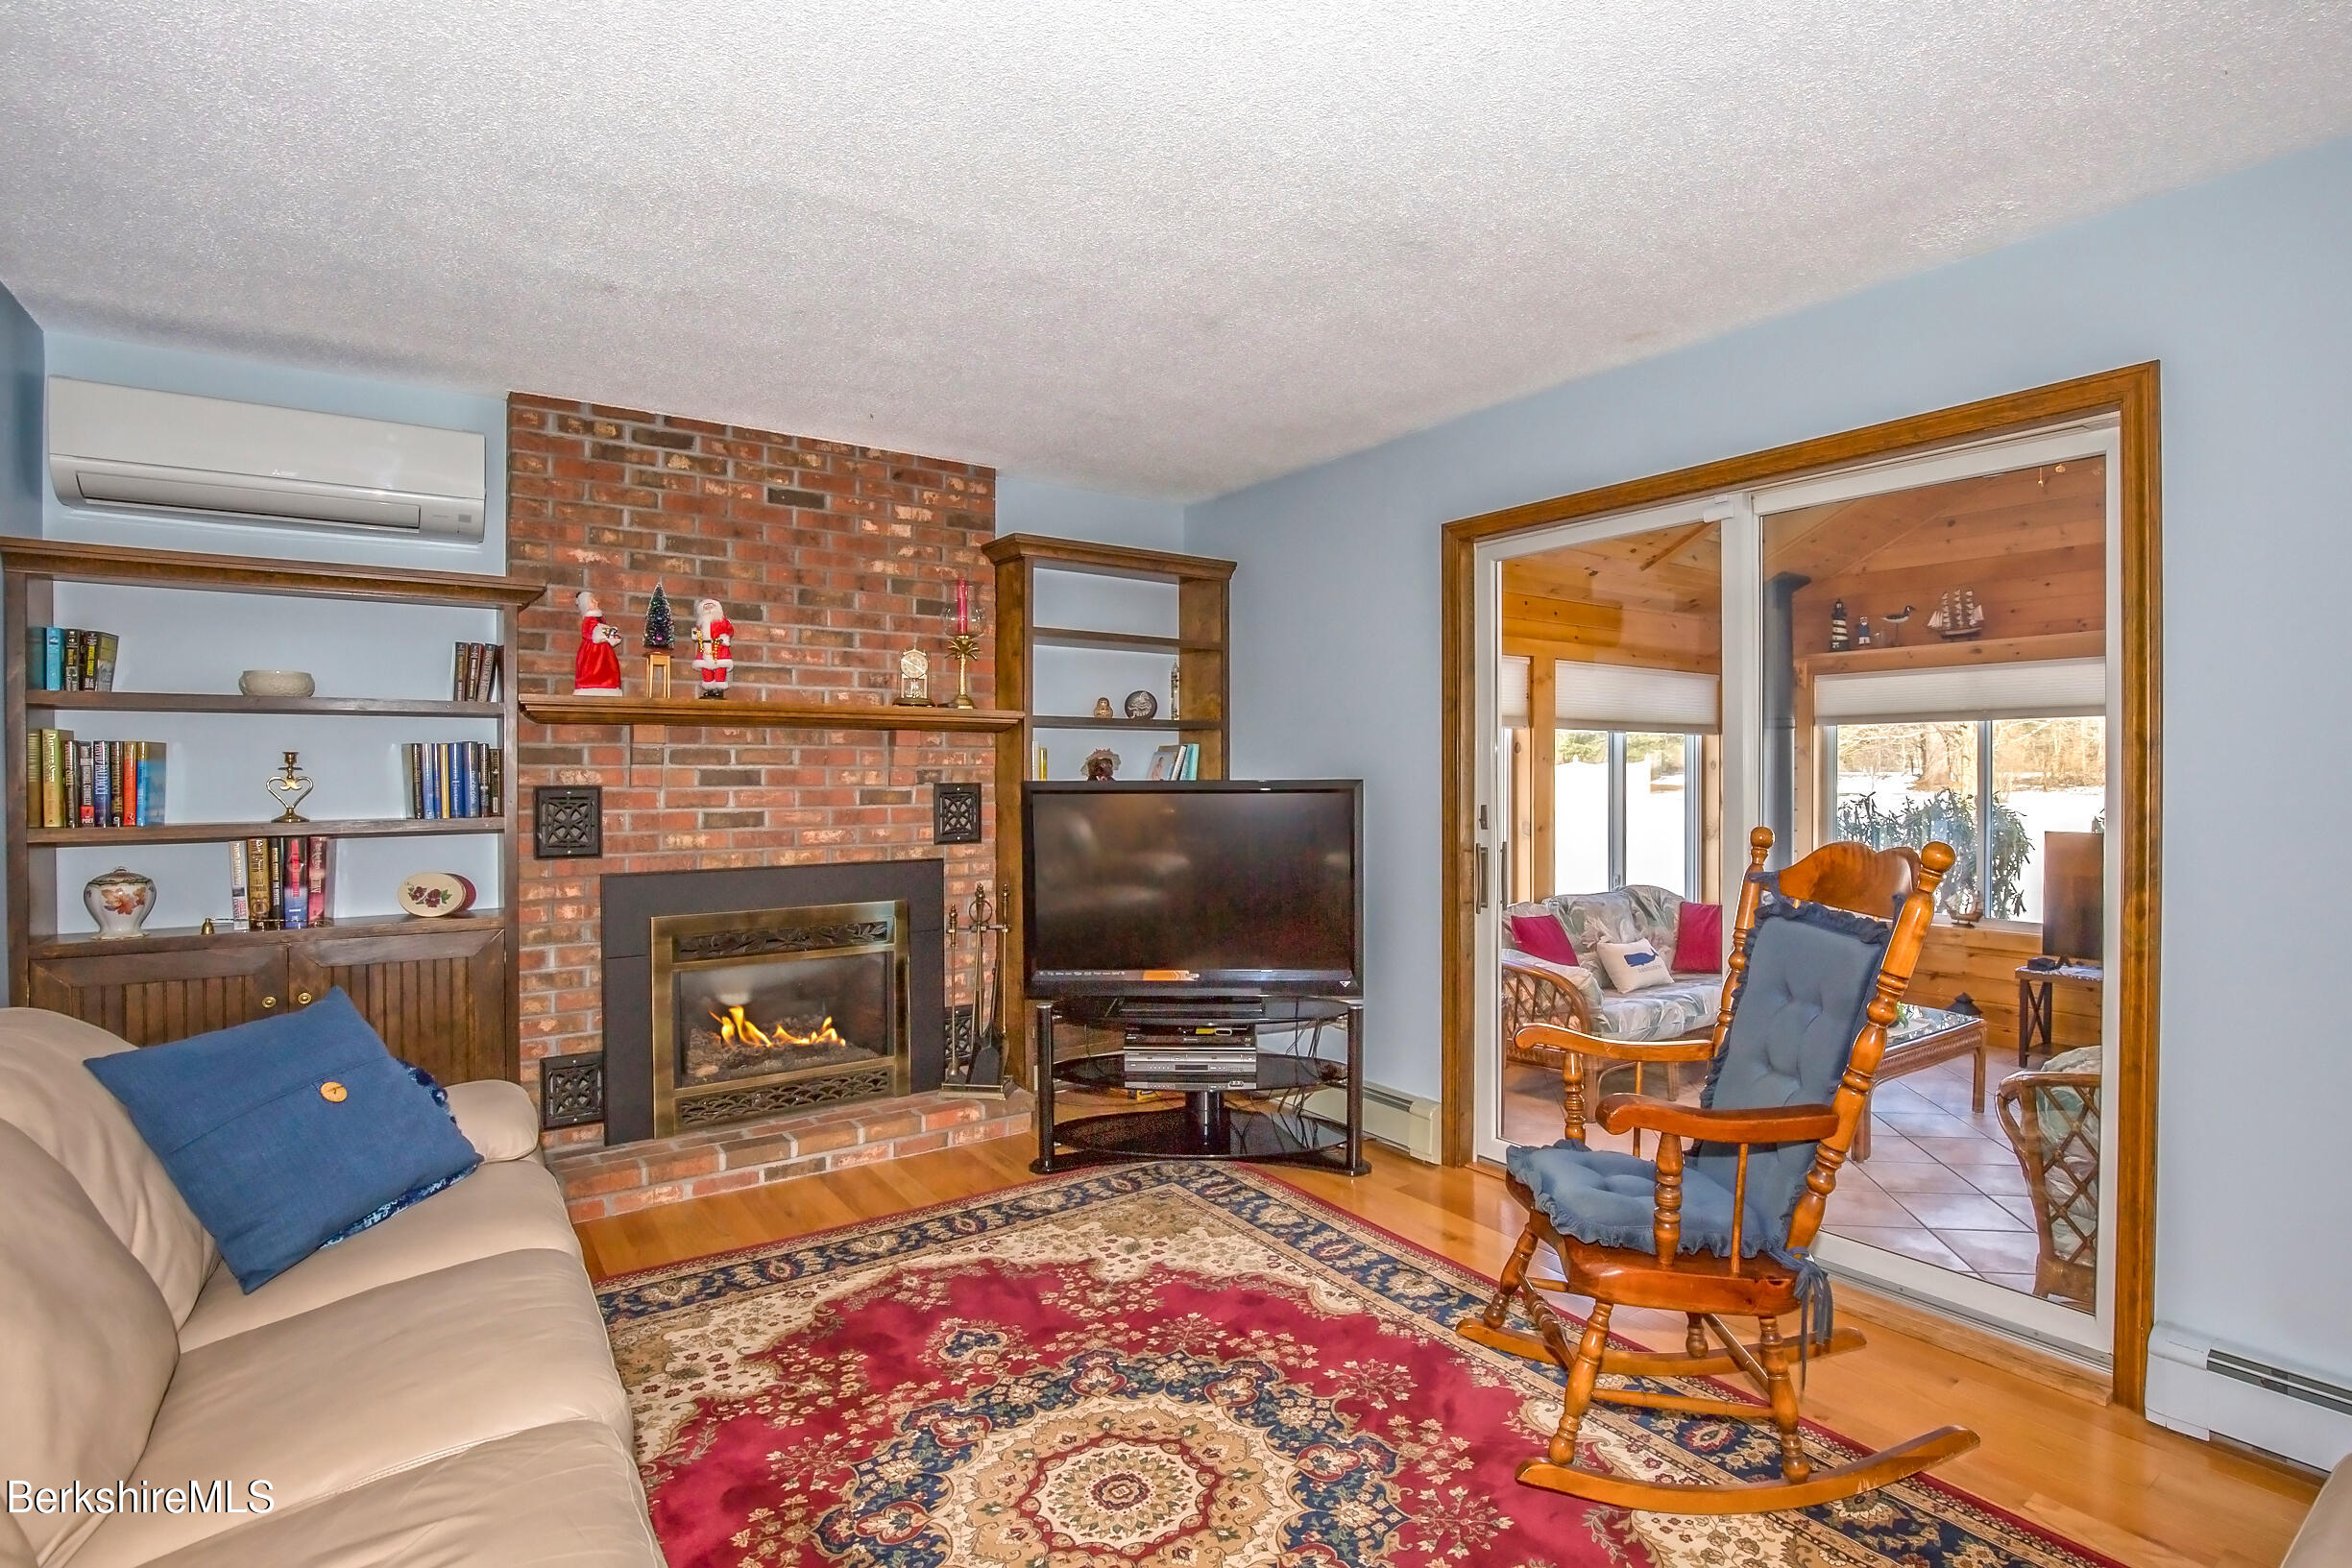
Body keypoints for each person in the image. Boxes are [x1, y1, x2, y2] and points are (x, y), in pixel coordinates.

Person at [573, 590, 622, 694]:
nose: (596, 602)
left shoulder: (599, 620)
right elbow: (595, 634)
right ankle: (592, 683)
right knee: (593, 668)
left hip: (604, 652)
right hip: (593, 652)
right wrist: (609, 633)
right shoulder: (589, 621)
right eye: (592, 601)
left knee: (607, 667)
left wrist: (610, 634)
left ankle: (607, 684)